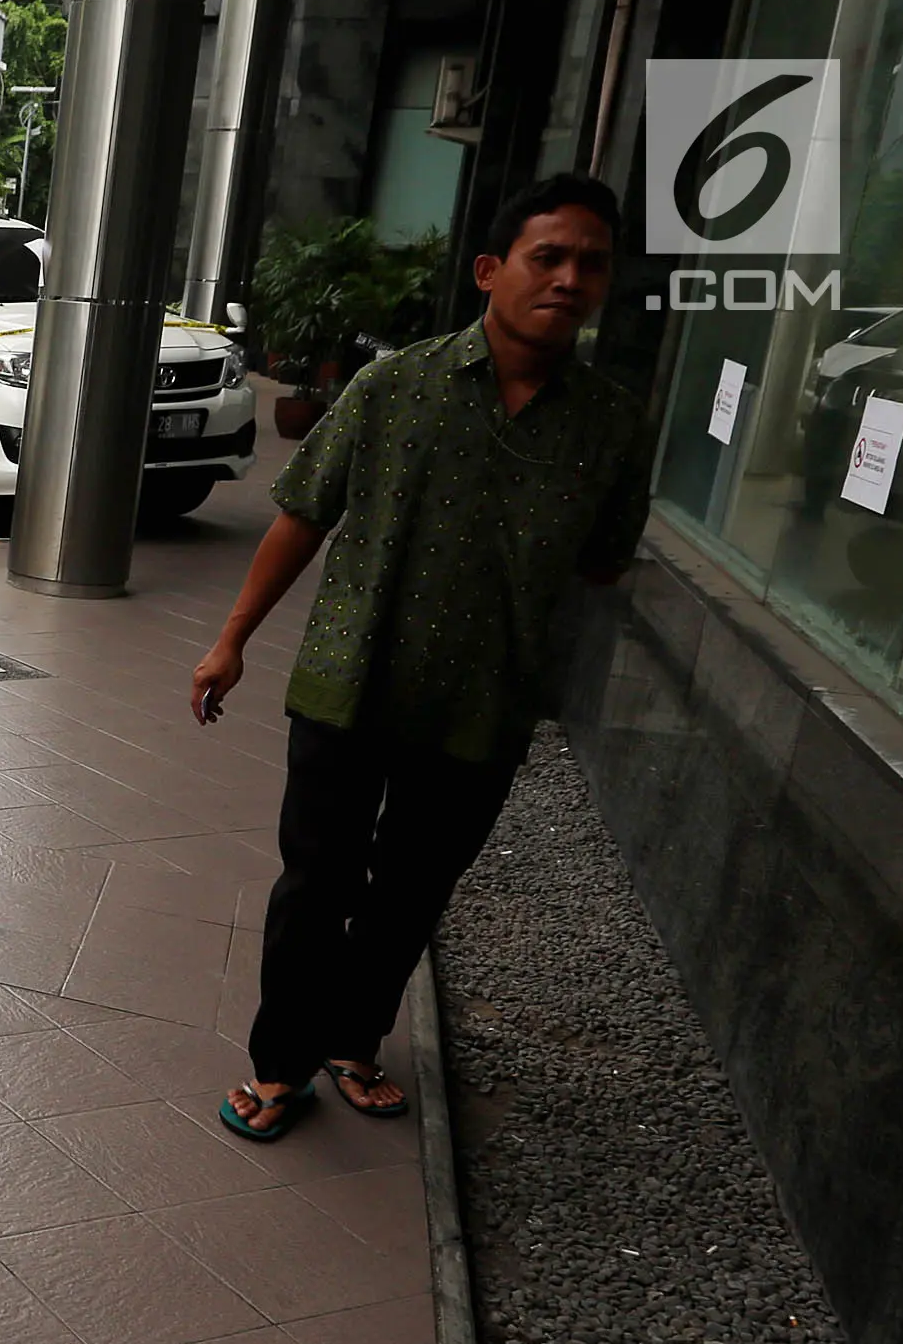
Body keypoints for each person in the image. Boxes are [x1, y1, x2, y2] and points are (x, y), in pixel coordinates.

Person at [189, 172, 649, 1141]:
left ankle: (354, 1040)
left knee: (410, 892)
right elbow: (300, 516)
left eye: (590, 264)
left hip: (484, 703)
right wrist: (230, 641)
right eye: (547, 257)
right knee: (315, 886)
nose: (568, 279)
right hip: (351, 682)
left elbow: (607, 563)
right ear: (491, 270)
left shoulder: (610, 425)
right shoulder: (392, 386)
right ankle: (279, 1065)